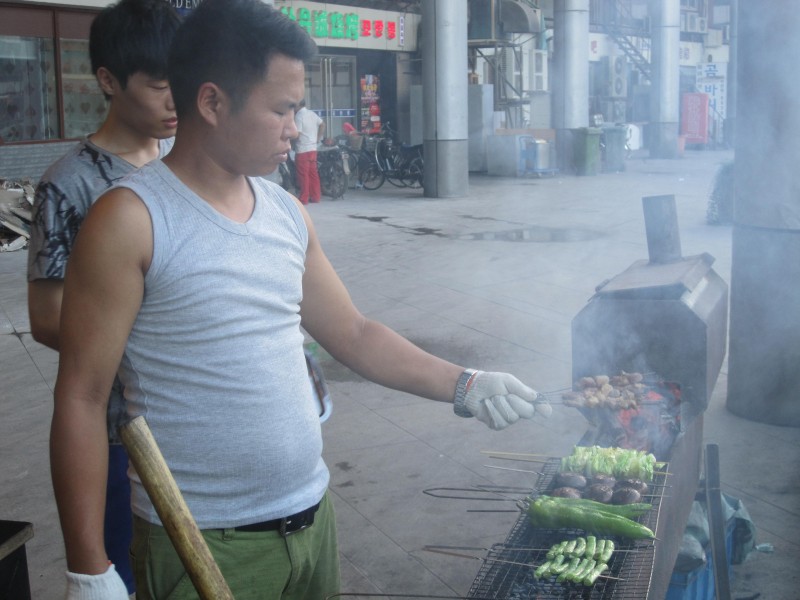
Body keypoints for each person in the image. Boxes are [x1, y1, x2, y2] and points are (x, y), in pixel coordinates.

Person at [49, 1, 550, 598]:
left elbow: (355, 333)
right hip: (203, 543)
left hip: (312, 522)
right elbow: (81, 396)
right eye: (282, 108)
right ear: (211, 103)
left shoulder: (284, 211)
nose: (297, 125)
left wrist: (464, 384)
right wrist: (89, 566)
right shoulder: (131, 219)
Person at [26, 0, 181, 595]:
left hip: (196, 423)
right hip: (121, 431)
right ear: (109, 81)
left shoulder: (185, 162)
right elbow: (46, 320)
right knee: (133, 568)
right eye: (162, 86)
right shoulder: (70, 184)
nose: (177, 103)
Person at [293, 98, 325, 204]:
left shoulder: (299, 116)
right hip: (313, 149)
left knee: (303, 175)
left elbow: (297, 134)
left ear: (298, 105)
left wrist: (290, 140)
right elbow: (322, 124)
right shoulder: (312, 114)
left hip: (303, 150)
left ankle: (304, 198)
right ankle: (316, 197)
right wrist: (318, 137)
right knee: (313, 174)